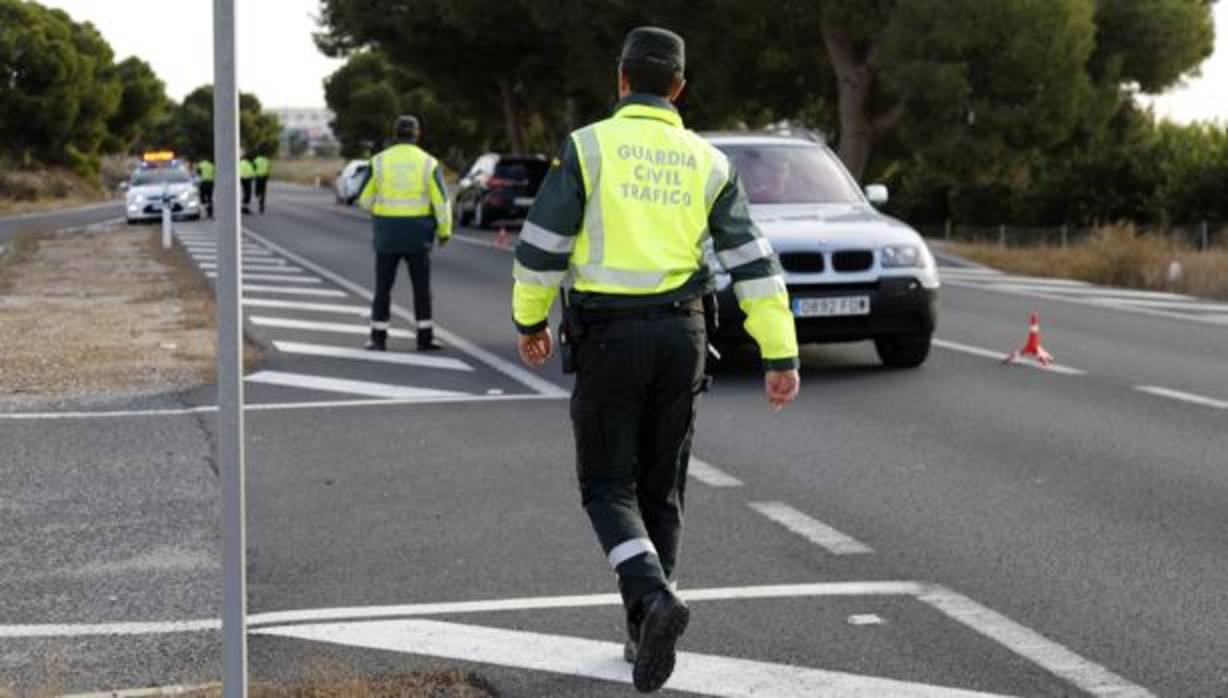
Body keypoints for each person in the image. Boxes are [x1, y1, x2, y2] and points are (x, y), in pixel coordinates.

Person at [511, 27, 800, 694]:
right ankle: (643, 632)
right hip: (686, 337)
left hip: (610, 337)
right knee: (661, 490)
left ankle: (652, 598)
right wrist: (779, 352)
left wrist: (530, 320)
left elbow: (541, 248)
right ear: (679, 88)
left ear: (620, 80)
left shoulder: (588, 147)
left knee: (606, 486)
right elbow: (755, 264)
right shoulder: (709, 162)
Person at [358, 115, 452, 351]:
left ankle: (378, 338)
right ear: (417, 134)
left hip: (387, 234)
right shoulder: (428, 163)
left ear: (394, 133)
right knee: (421, 288)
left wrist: (381, 210)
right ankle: (424, 337)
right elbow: (441, 202)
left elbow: (363, 199)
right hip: (418, 234)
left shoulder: (378, 161)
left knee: (383, 288)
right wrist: (444, 231)